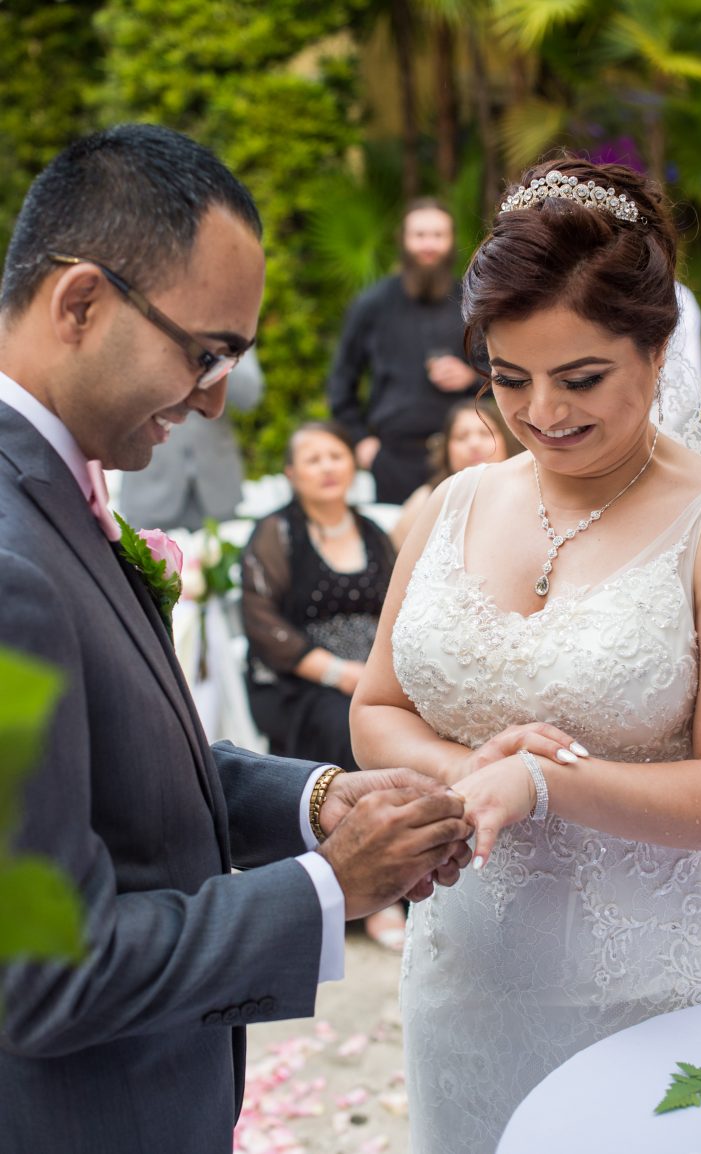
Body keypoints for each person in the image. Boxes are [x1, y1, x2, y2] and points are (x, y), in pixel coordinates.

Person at [0, 124, 472, 1154]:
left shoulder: (55, 494)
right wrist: (329, 886)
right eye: (204, 351)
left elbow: (118, 765)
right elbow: (41, 967)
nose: (215, 395)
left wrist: (315, 800)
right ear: (78, 302)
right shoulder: (8, 559)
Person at [351, 158, 701, 1153]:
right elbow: (376, 710)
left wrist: (547, 782)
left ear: (658, 348)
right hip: (463, 982)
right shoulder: (453, 505)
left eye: (581, 378)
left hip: (660, 998)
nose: (542, 413)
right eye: (508, 378)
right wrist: (469, 772)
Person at [242, 419, 406, 950]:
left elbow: (400, 607)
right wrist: (339, 674)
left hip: (377, 669)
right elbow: (263, 622)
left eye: (335, 455)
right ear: (291, 473)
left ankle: (414, 873)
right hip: (304, 680)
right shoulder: (277, 533)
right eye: (312, 459)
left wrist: (380, 672)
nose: (327, 467)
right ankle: (369, 898)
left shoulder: (373, 533)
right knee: (348, 728)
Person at [327, 198, 479, 504]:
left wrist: (470, 379)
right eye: (420, 235)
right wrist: (361, 442)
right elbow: (341, 381)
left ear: (451, 241)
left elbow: (504, 373)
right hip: (393, 461)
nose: (428, 245)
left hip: (464, 457)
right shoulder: (372, 304)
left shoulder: (473, 301)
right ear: (403, 240)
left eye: (438, 236)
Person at [118, 347, 264, 530]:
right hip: (149, 488)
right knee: (139, 558)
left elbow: (250, 396)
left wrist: (216, 357)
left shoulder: (231, 324)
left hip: (217, 489)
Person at [390, 396, 520, 550]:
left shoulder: (530, 491)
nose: (474, 444)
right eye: (461, 437)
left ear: (506, 439)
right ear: (447, 449)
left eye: (486, 434)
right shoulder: (425, 500)